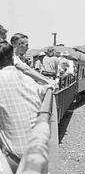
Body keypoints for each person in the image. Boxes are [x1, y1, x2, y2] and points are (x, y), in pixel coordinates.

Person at [0, 40, 52, 173]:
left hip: (12, 159)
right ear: (12, 57)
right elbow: (44, 89)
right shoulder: (28, 79)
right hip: (38, 154)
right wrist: (50, 84)